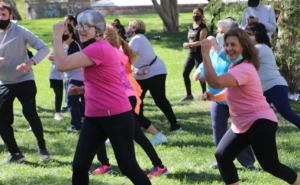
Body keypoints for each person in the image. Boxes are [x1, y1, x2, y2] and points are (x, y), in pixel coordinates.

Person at [52, 10, 151, 185]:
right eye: (79, 25)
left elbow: (61, 65)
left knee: (128, 166)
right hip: (94, 117)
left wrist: (56, 34)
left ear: (98, 31)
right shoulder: (93, 47)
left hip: (117, 116)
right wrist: (83, 89)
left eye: (86, 26)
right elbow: (106, 80)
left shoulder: (98, 48)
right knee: (80, 165)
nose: (81, 30)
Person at [200, 28, 300, 185]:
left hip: (259, 122)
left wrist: (205, 54)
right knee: (222, 156)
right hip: (241, 123)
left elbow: (215, 82)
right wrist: (214, 97)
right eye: (226, 44)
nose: (228, 48)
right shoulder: (235, 67)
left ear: (244, 47)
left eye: (233, 44)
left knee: (270, 166)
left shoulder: (244, 68)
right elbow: (231, 93)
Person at [92, 26, 168, 178]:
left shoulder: (108, 53)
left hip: (121, 96)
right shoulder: (117, 51)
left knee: (132, 134)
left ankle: (157, 166)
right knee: (104, 130)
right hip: (125, 95)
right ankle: (106, 164)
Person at [194, 18, 255, 170]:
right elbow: (206, 63)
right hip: (216, 98)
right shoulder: (215, 50)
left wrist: (215, 46)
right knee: (218, 128)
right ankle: (220, 159)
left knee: (239, 131)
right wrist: (199, 70)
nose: (218, 35)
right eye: (218, 32)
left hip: (234, 99)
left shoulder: (235, 52)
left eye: (223, 32)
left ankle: (247, 162)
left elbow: (229, 61)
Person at [0, 2, 50, 164]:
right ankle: (16, 154)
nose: (0, 18)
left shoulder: (20, 31)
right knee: (2, 120)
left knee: (30, 113)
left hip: (24, 79)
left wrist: (30, 63)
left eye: (3, 15)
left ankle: (42, 147)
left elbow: (43, 48)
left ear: (10, 16)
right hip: (4, 82)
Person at [126, 19, 181, 131]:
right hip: (141, 73)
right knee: (137, 100)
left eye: (129, 27)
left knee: (159, 99)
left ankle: (175, 124)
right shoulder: (137, 39)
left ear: (134, 29)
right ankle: (139, 123)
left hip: (155, 72)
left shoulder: (136, 39)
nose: (127, 29)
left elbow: (126, 56)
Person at [245, 22, 300, 129]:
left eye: (248, 33)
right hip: (264, 89)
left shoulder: (260, 48)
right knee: (254, 115)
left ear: (257, 33)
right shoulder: (259, 48)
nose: (246, 36)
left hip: (275, 87)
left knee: (288, 114)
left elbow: (242, 59)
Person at [181, 7, 208, 101]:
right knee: (185, 73)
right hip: (191, 54)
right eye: (194, 14)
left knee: (200, 75)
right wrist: (189, 45)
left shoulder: (203, 28)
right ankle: (189, 95)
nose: (195, 16)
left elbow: (200, 42)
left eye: (197, 14)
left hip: (199, 54)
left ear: (201, 15)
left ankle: (205, 94)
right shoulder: (190, 26)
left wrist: (188, 44)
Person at [62, 24, 85, 130]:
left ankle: (76, 125)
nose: (63, 34)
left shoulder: (74, 45)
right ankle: (89, 114)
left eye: (65, 32)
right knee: (70, 101)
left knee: (72, 103)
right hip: (70, 77)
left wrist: (59, 61)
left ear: (71, 33)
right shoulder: (66, 45)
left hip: (76, 77)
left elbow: (73, 63)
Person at [48, 49, 65, 121]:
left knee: (60, 95)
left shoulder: (64, 52)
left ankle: (58, 112)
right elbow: (52, 60)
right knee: (58, 95)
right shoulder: (54, 53)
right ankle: (57, 113)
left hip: (61, 77)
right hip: (54, 77)